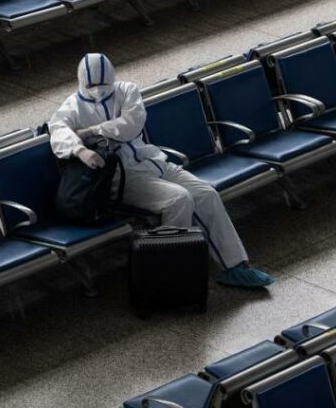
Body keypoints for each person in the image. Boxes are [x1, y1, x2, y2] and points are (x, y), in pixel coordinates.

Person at [47, 53, 274, 289]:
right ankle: (173, 273)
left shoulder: (127, 90)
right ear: (82, 81)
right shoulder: (72, 106)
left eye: (103, 84)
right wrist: (79, 150)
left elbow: (131, 124)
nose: (98, 90)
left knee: (206, 193)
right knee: (178, 200)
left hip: (152, 161)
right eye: (92, 85)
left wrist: (94, 130)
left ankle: (235, 266)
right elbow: (58, 132)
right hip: (121, 178)